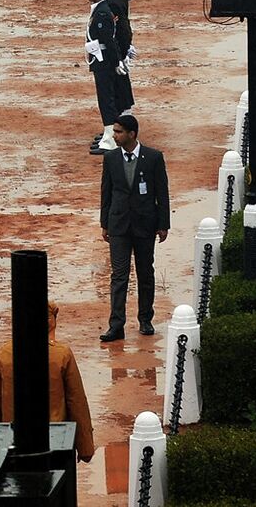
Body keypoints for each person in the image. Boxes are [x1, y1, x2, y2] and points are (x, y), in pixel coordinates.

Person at [0, 300, 97, 462]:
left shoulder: (5, 353)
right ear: (52, 323)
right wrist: (85, 448)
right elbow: (76, 402)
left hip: (12, 443)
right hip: (56, 443)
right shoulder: (62, 355)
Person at [99, 114, 170, 342]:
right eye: (114, 131)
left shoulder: (153, 158)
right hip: (118, 225)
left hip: (145, 226)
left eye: (118, 132)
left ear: (132, 134)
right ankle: (116, 325)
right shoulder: (110, 159)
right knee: (119, 276)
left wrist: (163, 224)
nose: (114, 135)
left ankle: (145, 319)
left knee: (145, 273)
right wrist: (104, 223)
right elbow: (106, 193)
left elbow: (162, 193)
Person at [83, 0, 123, 154]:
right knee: (105, 99)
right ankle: (109, 134)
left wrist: (116, 62)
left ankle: (111, 139)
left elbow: (109, 40)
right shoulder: (99, 9)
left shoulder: (102, 13)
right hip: (100, 60)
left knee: (107, 100)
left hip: (104, 62)